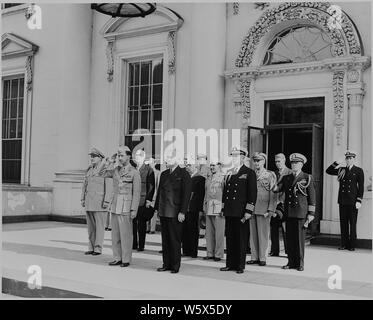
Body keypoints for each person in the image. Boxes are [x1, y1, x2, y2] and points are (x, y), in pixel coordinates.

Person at [274, 153, 316, 271]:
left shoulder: (307, 177)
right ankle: (291, 262)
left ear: (301, 164)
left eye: (296, 163)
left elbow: (312, 197)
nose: (294, 165)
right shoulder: (287, 178)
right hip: (289, 213)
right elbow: (277, 189)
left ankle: (300, 263)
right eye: (292, 163)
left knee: (299, 240)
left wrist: (311, 213)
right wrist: (272, 181)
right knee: (290, 239)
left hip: (300, 213)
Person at [220, 146, 257, 274]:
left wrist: (248, 211)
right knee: (230, 239)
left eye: (237, 156)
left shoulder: (249, 172)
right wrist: (223, 208)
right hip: (230, 211)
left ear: (243, 157)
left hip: (241, 212)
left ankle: (240, 265)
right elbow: (226, 192)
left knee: (241, 239)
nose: (234, 158)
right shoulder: (229, 172)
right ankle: (230, 264)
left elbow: (252, 194)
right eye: (233, 156)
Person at [154, 153, 192, 273]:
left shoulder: (184, 173)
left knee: (175, 240)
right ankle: (166, 264)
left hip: (175, 212)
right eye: (166, 158)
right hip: (164, 210)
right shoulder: (164, 174)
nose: (167, 160)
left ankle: (175, 265)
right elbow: (160, 192)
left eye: (170, 158)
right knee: (165, 240)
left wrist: (183, 212)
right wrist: (156, 208)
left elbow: (186, 195)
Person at [105, 146, 141, 267]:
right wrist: (110, 161)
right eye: (118, 156)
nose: (120, 158)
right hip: (115, 206)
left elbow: (136, 193)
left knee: (125, 235)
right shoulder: (116, 170)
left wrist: (134, 209)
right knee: (115, 235)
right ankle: (117, 257)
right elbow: (103, 173)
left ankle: (126, 259)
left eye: (122, 155)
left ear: (129, 156)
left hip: (126, 206)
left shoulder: (134, 172)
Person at [326, 150, 364, 251]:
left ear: (354, 159)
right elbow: (328, 171)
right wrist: (337, 162)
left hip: (352, 201)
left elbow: (361, 187)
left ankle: (352, 245)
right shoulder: (341, 170)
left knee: (352, 223)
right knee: (343, 223)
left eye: (350, 158)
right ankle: (344, 244)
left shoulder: (358, 170)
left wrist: (359, 200)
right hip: (342, 200)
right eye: (347, 158)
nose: (348, 160)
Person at [81, 147, 112, 256]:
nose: (92, 158)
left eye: (94, 156)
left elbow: (109, 186)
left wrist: (107, 201)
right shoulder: (89, 169)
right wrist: (82, 198)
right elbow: (85, 185)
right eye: (91, 156)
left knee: (99, 227)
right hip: (89, 202)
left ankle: (98, 248)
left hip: (100, 203)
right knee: (91, 228)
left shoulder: (105, 169)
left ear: (100, 158)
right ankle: (91, 247)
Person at [247, 152, 277, 266]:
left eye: (258, 160)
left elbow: (274, 194)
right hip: (252, 208)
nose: (256, 163)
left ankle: (263, 257)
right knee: (253, 234)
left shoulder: (270, 175)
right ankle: (254, 256)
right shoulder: (251, 174)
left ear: (264, 161)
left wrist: (271, 210)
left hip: (264, 209)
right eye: (254, 161)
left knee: (263, 234)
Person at [182, 160, 205, 258]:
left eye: (189, 165)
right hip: (185, 208)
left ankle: (193, 251)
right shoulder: (187, 177)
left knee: (193, 230)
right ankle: (186, 250)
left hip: (194, 208)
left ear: (195, 166)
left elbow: (200, 196)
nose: (187, 167)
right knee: (185, 229)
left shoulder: (200, 178)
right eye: (186, 165)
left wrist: (200, 210)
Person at [133, 149, 155, 251]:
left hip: (143, 200)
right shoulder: (133, 168)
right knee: (133, 223)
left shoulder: (148, 169)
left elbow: (151, 186)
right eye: (135, 155)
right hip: (133, 200)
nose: (136, 157)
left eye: (138, 156)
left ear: (142, 157)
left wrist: (148, 200)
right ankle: (133, 244)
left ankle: (141, 245)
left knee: (141, 224)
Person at [203, 159, 225, 262]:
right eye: (211, 165)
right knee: (209, 231)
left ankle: (218, 254)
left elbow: (225, 194)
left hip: (218, 205)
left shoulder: (223, 177)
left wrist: (224, 206)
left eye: (214, 165)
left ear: (219, 165)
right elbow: (205, 192)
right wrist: (204, 205)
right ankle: (210, 253)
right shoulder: (208, 178)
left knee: (219, 232)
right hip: (209, 205)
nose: (212, 167)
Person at [270, 153, 292, 256]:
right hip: (274, 203)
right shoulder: (273, 173)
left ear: (284, 161)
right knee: (273, 227)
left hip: (284, 204)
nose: (277, 164)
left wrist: (282, 201)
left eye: (279, 161)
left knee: (285, 227)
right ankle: (275, 251)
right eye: (276, 162)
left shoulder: (290, 173)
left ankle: (288, 251)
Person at [147, 160, 161, 234]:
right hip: (147, 196)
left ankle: (152, 229)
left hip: (154, 196)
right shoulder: (147, 172)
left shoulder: (158, 173)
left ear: (154, 164)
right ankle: (147, 228)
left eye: (151, 163)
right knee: (146, 211)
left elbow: (158, 186)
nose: (149, 164)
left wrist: (156, 196)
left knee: (153, 212)